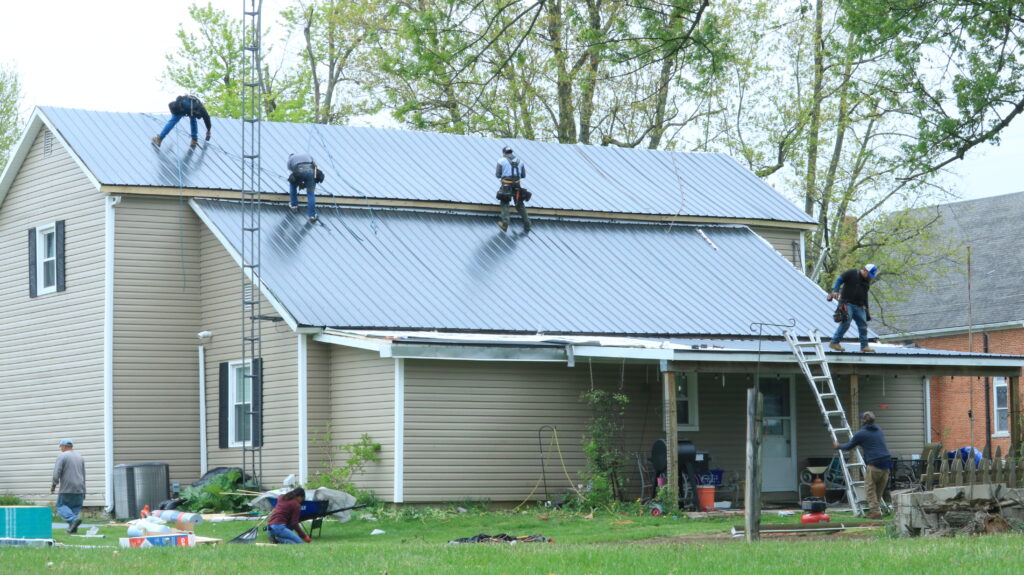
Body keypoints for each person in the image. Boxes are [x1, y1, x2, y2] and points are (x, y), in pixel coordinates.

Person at [834, 411, 891, 519]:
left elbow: (849, 446)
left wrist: (838, 446)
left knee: (869, 488)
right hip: (887, 463)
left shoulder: (861, 433)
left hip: (874, 464)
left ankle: (875, 512)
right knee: (878, 489)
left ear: (863, 421)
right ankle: (875, 510)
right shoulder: (878, 430)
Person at [828, 263, 878, 353]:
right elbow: (839, 280)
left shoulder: (866, 281)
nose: (869, 276)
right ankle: (834, 342)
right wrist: (836, 291)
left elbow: (865, 295)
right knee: (846, 322)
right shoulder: (851, 273)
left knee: (863, 325)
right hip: (847, 303)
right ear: (865, 270)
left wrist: (866, 308)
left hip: (859, 305)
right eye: (869, 274)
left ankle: (864, 346)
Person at [51, 438, 86, 534]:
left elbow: (56, 472)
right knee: (74, 508)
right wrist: (84, 490)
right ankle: (72, 530)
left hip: (67, 487)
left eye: (61, 447)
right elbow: (83, 474)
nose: (60, 449)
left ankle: (73, 520)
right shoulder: (80, 457)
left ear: (65, 446)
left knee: (60, 506)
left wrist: (54, 485)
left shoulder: (62, 456)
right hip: (79, 488)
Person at [495, 146, 531, 233]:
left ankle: (505, 224)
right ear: (511, 152)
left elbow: (498, 174)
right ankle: (527, 224)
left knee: (505, 203)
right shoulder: (520, 161)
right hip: (517, 186)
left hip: (506, 186)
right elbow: (523, 175)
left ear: (504, 153)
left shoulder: (501, 160)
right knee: (520, 205)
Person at [287, 153, 321, 223]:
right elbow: (315, 166)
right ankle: (312, 215)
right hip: (311, 171)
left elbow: (293, 172)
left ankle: (294, 205)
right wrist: (312, 180)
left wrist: (299, 183)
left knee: (292, 185)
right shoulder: (308, 155)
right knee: (311, 193)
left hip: (299, 170)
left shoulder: (290, 159)